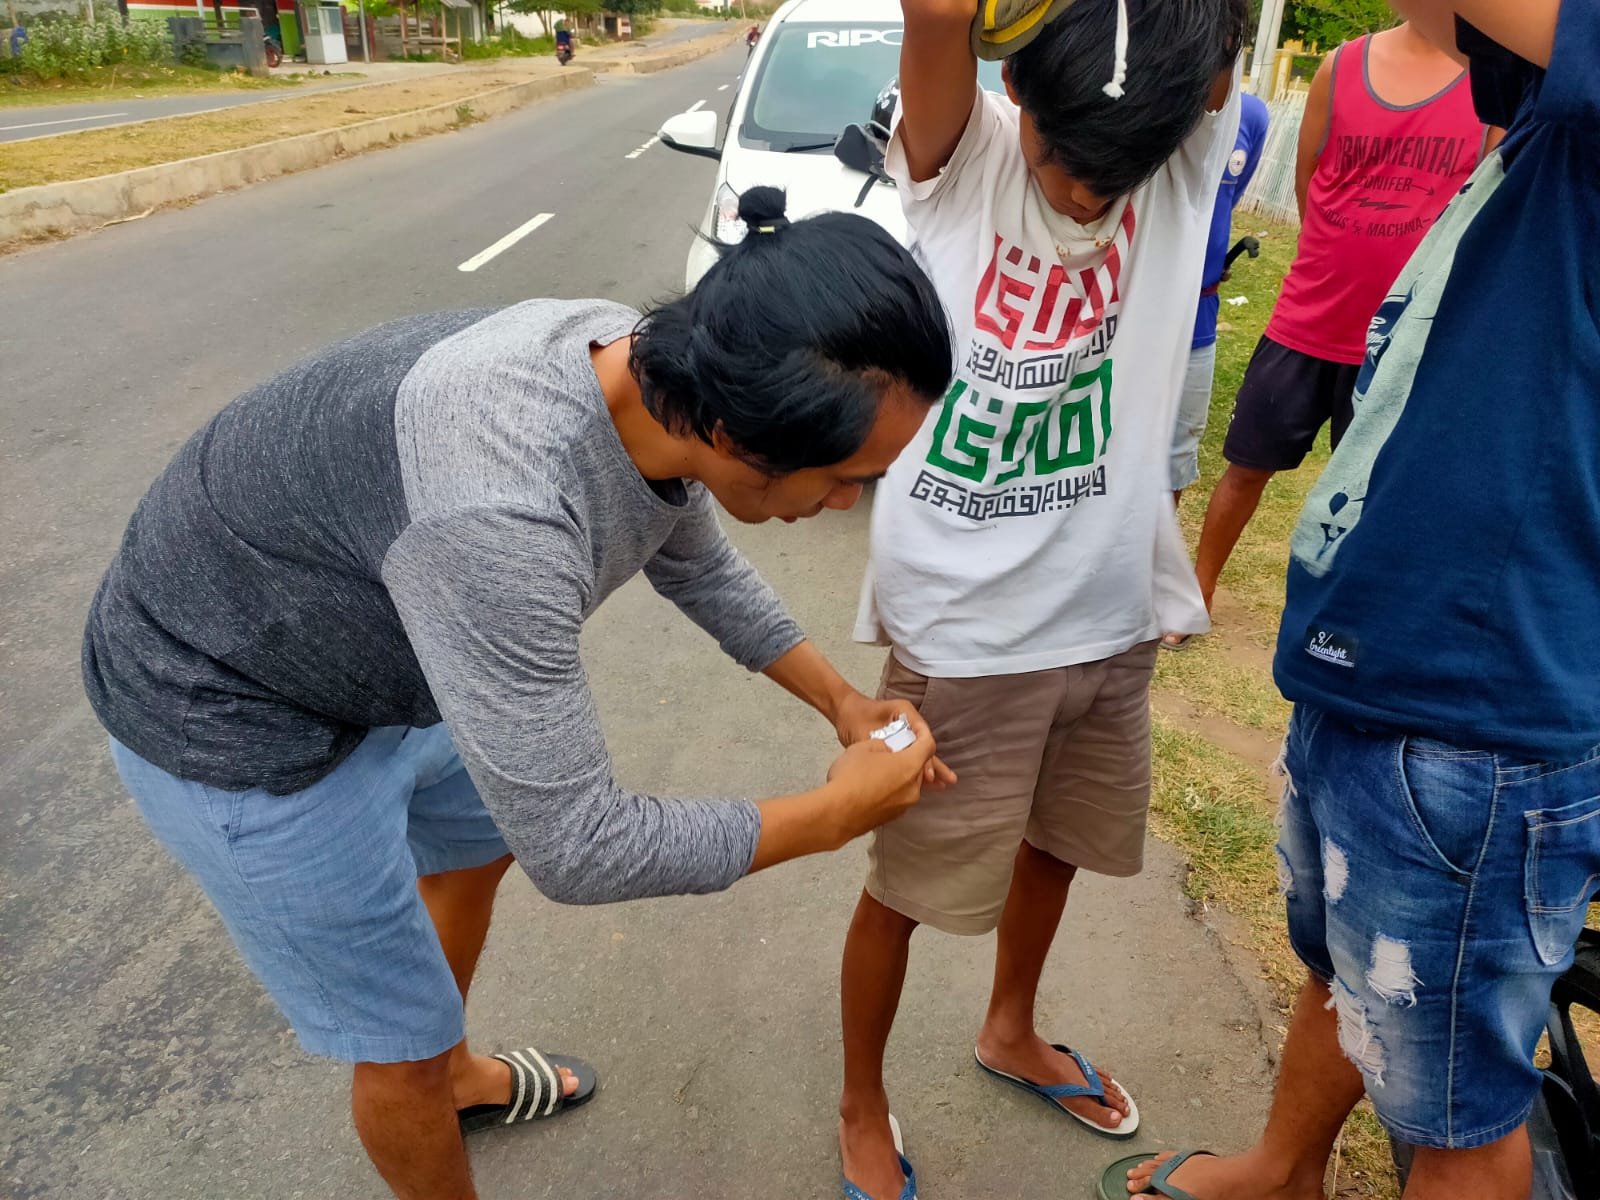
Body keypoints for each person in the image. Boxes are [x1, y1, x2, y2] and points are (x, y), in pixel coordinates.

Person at [83, 188, 958, 1200]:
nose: (848, 503)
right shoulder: (497, 520)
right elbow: (583, 849)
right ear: (730, 428)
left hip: (377, 644)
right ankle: (428, 1068)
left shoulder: (636, 363)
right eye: (848, 476)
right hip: (227, 705)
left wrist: (841, 703)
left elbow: (690, 552)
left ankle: (453, 1073)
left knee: (476, 832)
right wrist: (834, 814)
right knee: (394, 1047)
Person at [1109, 2, 1600, 1199]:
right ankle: (1285, 1169)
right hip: (1384, 666)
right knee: (1345, 962)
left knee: (1457, 1117)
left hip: (1473, 715)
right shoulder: (1542, 125)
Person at [839, 1, 1245, 1197]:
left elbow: (1199, 52)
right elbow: (938, 16)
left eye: (1102, 173)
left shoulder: (1170, 168)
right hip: (962, 632)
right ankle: (861, 1098)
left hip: (1111, 613)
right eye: (1061, 159)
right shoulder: (962, 171)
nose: (1077, 193)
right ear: (1019, 100)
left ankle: (1009, 1026)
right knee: (903, 891)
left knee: (1056, 852)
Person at [1189, 17, 1489, 617]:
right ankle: (1196, 591)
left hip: (1406, 342)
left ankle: (1357, 613)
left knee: (1384, 493)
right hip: (1310, 320)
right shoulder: (1342, 66)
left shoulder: (1492, 81)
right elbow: (1309, 183)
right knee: (1247, 467)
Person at [1169, 90, 1269, 504]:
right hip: (1129, 310)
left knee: (1176, 452)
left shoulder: (1251, 116)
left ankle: (1151, 562)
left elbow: (1224, 202)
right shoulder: (1143, 94)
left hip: (1199, 315)